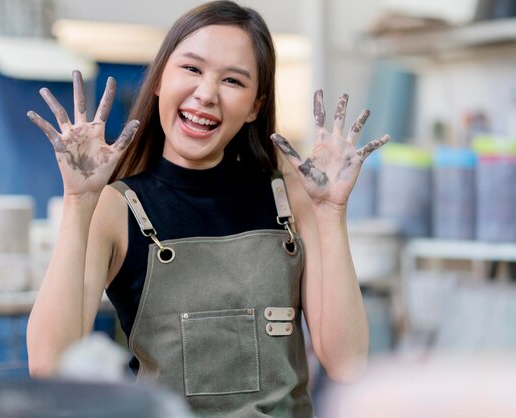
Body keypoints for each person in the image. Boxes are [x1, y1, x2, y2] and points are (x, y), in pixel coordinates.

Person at [26, 1, 389, 416]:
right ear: (161, 78)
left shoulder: (291, 198)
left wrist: (330, 212)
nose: (206, 94)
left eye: (233, 80)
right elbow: (48, 366)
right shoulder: (116, 208)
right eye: (192, 69)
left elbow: (348, 365)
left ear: (255, 105)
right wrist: (80, 201)